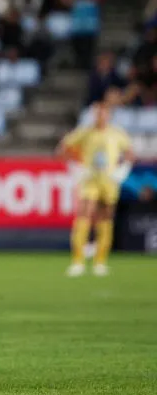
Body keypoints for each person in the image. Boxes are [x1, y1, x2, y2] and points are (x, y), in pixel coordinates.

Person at [56, 101, 133, 277]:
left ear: (109, 115)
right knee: (84, 213)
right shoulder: (84, 133)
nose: (100, 116)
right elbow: (62, 149)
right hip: (89, 179)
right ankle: (78, 261)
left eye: (103, 113)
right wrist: (75, 166)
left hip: (108, 181)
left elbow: (130, 153)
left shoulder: (117, 134)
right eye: (97, 113)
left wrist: (123, 169)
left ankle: (100, 261)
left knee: (106, 216)